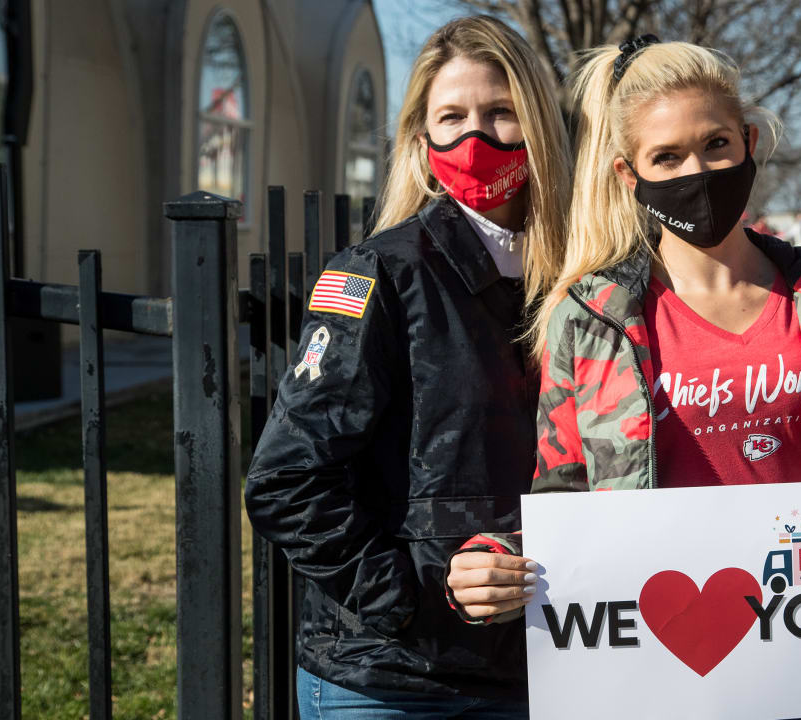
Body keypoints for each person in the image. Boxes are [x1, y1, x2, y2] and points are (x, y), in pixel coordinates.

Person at [446, 36, 801, 624]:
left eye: (716, 144)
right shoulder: (590, 320)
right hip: (652, 659)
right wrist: (495, 564)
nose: (699, 171)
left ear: (749, 142)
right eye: (667, 157)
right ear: (628, 173)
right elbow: (561, 505)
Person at [243, 15, 570, 719]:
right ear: (422, 144)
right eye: (451, 116)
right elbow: (287, 481)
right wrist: (415, 593)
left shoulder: (581, 277)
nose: (476, 137)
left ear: (539, 125)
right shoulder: (379, 274)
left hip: (545, 665)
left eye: (502, 113)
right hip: (392, 683)